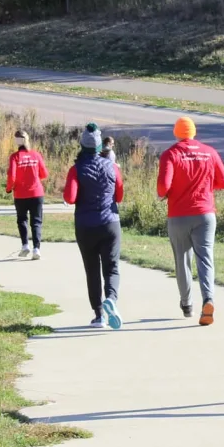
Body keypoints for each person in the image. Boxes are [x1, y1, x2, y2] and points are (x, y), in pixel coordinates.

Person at [157, 116, 224, 325]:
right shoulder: (209, 152)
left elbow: (163, 187)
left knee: (182, 261)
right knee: (205, 258)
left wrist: (166, 193)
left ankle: (186, 303)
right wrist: (207, 187)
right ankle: (208, 299)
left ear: (176, 133)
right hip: (205, 213)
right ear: (194, 132)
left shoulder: (170, 154)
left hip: (179, 214)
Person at [63, 124, 125, 329]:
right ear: (100, 147)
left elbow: (70, 198)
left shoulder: (76, 169)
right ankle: (112, 300)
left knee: (92, 270)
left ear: (82, 145)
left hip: (85, 225)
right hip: (110, 223)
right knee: (112, 267)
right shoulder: (112, 167)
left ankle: (99, 315)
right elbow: (120, 195)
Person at [6, 129, 49, 260]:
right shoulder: (36, 155)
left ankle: (25, 245)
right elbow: (44, 174)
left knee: (22, 220)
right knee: (36, 221)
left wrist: (9, 188)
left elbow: (12, 176)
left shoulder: (15, 157)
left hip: (20, 194)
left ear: (17, 141)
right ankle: (37, 248)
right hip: (36, 193)